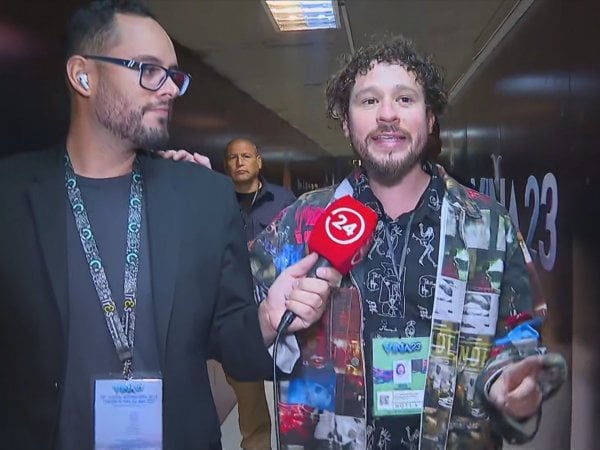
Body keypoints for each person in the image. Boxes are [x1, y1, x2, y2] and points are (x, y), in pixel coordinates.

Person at [0, 1, 340, 449]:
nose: (169, 90)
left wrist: (265, 320)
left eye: (174, 75)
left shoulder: (203, 198)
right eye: (149, 70)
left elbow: (228, 337)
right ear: (83, 76)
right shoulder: (11, 196)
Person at [248, 36, 566, 449]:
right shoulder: (302, 224)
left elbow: (519, 333)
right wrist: (266, 321)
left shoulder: (488, 225)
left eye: (404, 99)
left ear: (430, 119)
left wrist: (511, 384)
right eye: (368, 101)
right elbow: (233, 331)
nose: (387, 114)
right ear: (346, 122)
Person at [223, 137, 296, 450]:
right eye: (233, 157)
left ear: (259, 161)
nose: (240, 162)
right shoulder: (216, 200)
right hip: (238, 316)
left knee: (294, 407)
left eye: (246, 156)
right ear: (226, 164)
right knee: (251, 410)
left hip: (283, 314)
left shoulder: (283, 200)